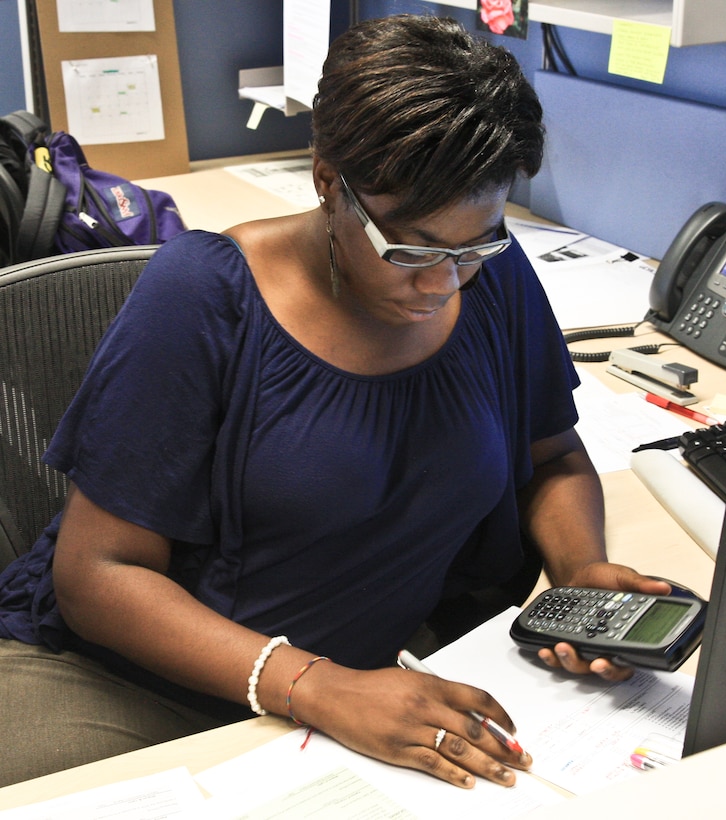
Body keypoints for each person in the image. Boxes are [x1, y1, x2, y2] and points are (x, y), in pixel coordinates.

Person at [0, 14, 670, 790]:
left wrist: (581, 567)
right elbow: (98, 573)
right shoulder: (204, 296)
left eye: (472, 246)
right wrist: (313, 685)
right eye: (410, 248)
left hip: (362, 682)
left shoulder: (487, 271)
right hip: (140, 682)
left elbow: (551, 458)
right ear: (327, 181)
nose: (441, 282)